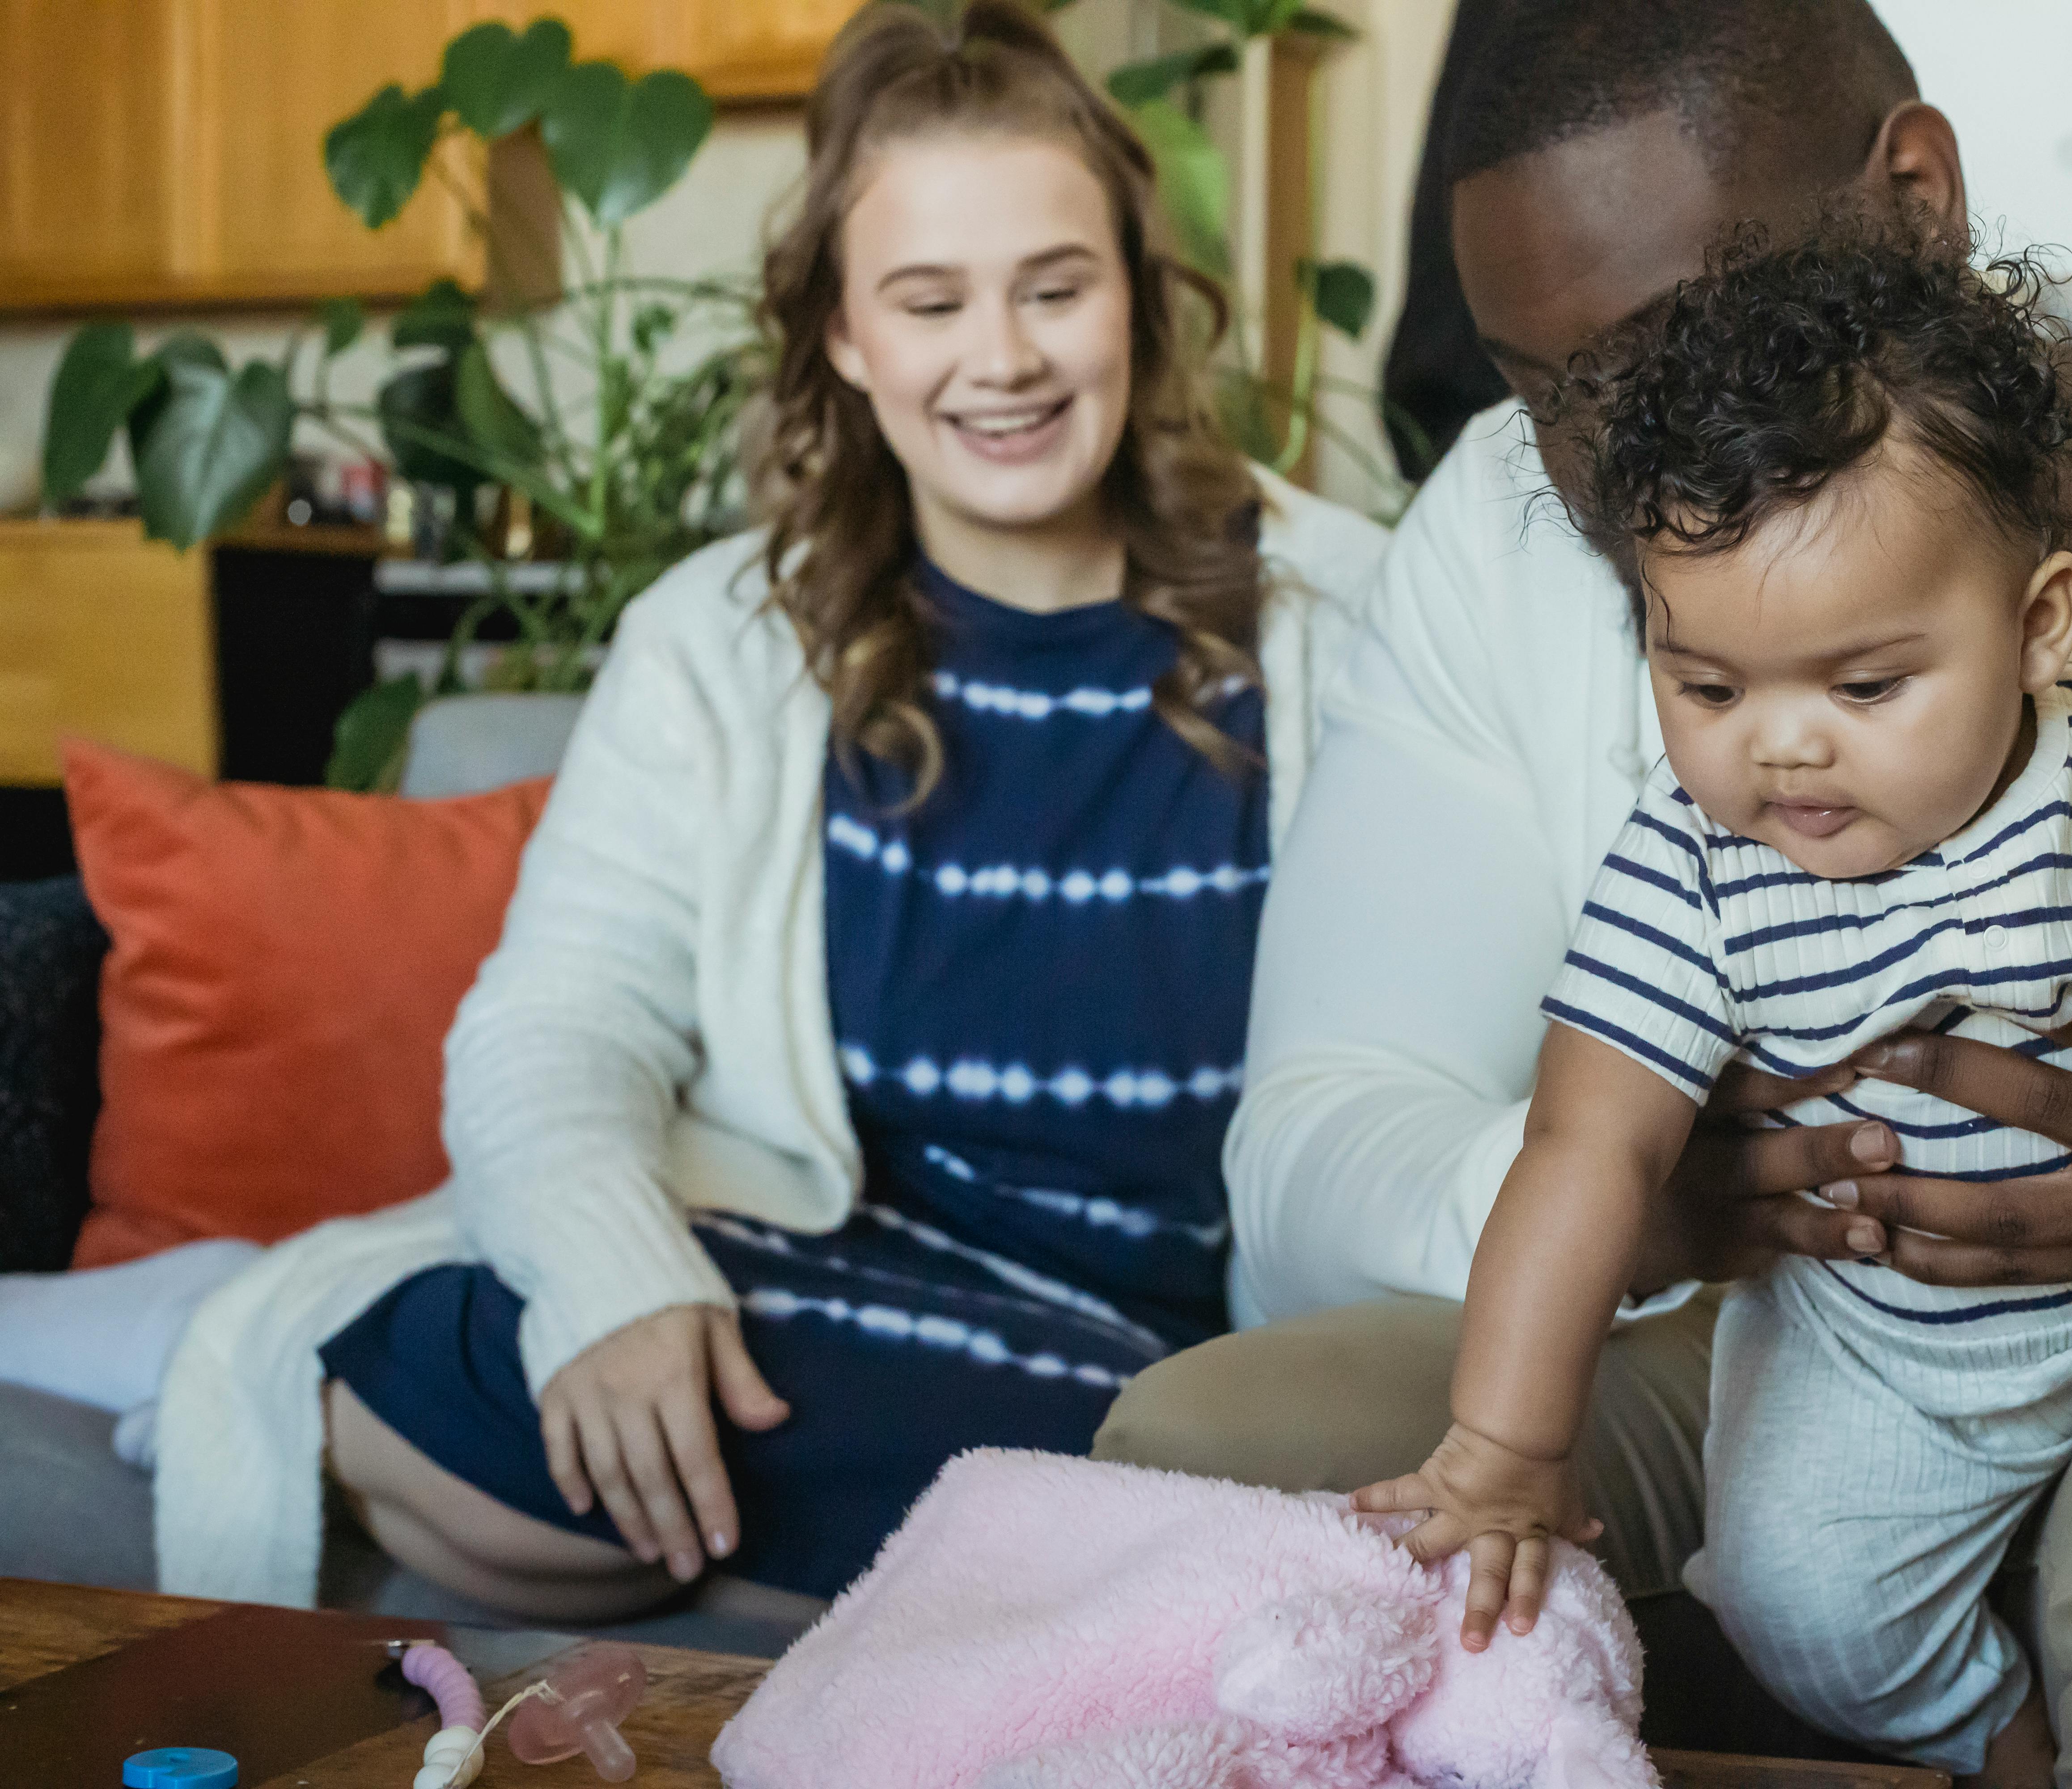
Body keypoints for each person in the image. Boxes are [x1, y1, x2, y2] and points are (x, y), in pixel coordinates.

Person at [1095, 3, 2072, 1783]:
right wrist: (1662, 1195)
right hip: (1804, 1351)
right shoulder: (1505, 528)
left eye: (1675, 345)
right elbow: (1307, 1147)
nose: (1623, 476)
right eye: (1548, 392)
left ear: (1916, 194)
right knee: (1213, 1463)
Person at [150, 1, 1383, 1618]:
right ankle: (1082, 1574)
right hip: (833, 1288)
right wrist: (616, 1286)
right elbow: (553, 1028)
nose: (1000, 359)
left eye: (1055, 289)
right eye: (929, 301)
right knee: (439, 1343)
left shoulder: (1351, 619)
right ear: (847, 337)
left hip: (1189, 1367)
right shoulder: (720, 642)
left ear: (1141, 306)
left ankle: (1114, 1540)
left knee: (1179, 1444)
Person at [1354, 237, 2072, 1786]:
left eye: (1865, 687)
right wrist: (1508, 1450)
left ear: (2039, 623)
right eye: (1708, 689)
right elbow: (1588, 1149)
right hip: (1881, 1362)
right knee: (1802, 1604)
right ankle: (1997, 1733)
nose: (1782, 753)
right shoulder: (1696, 865)